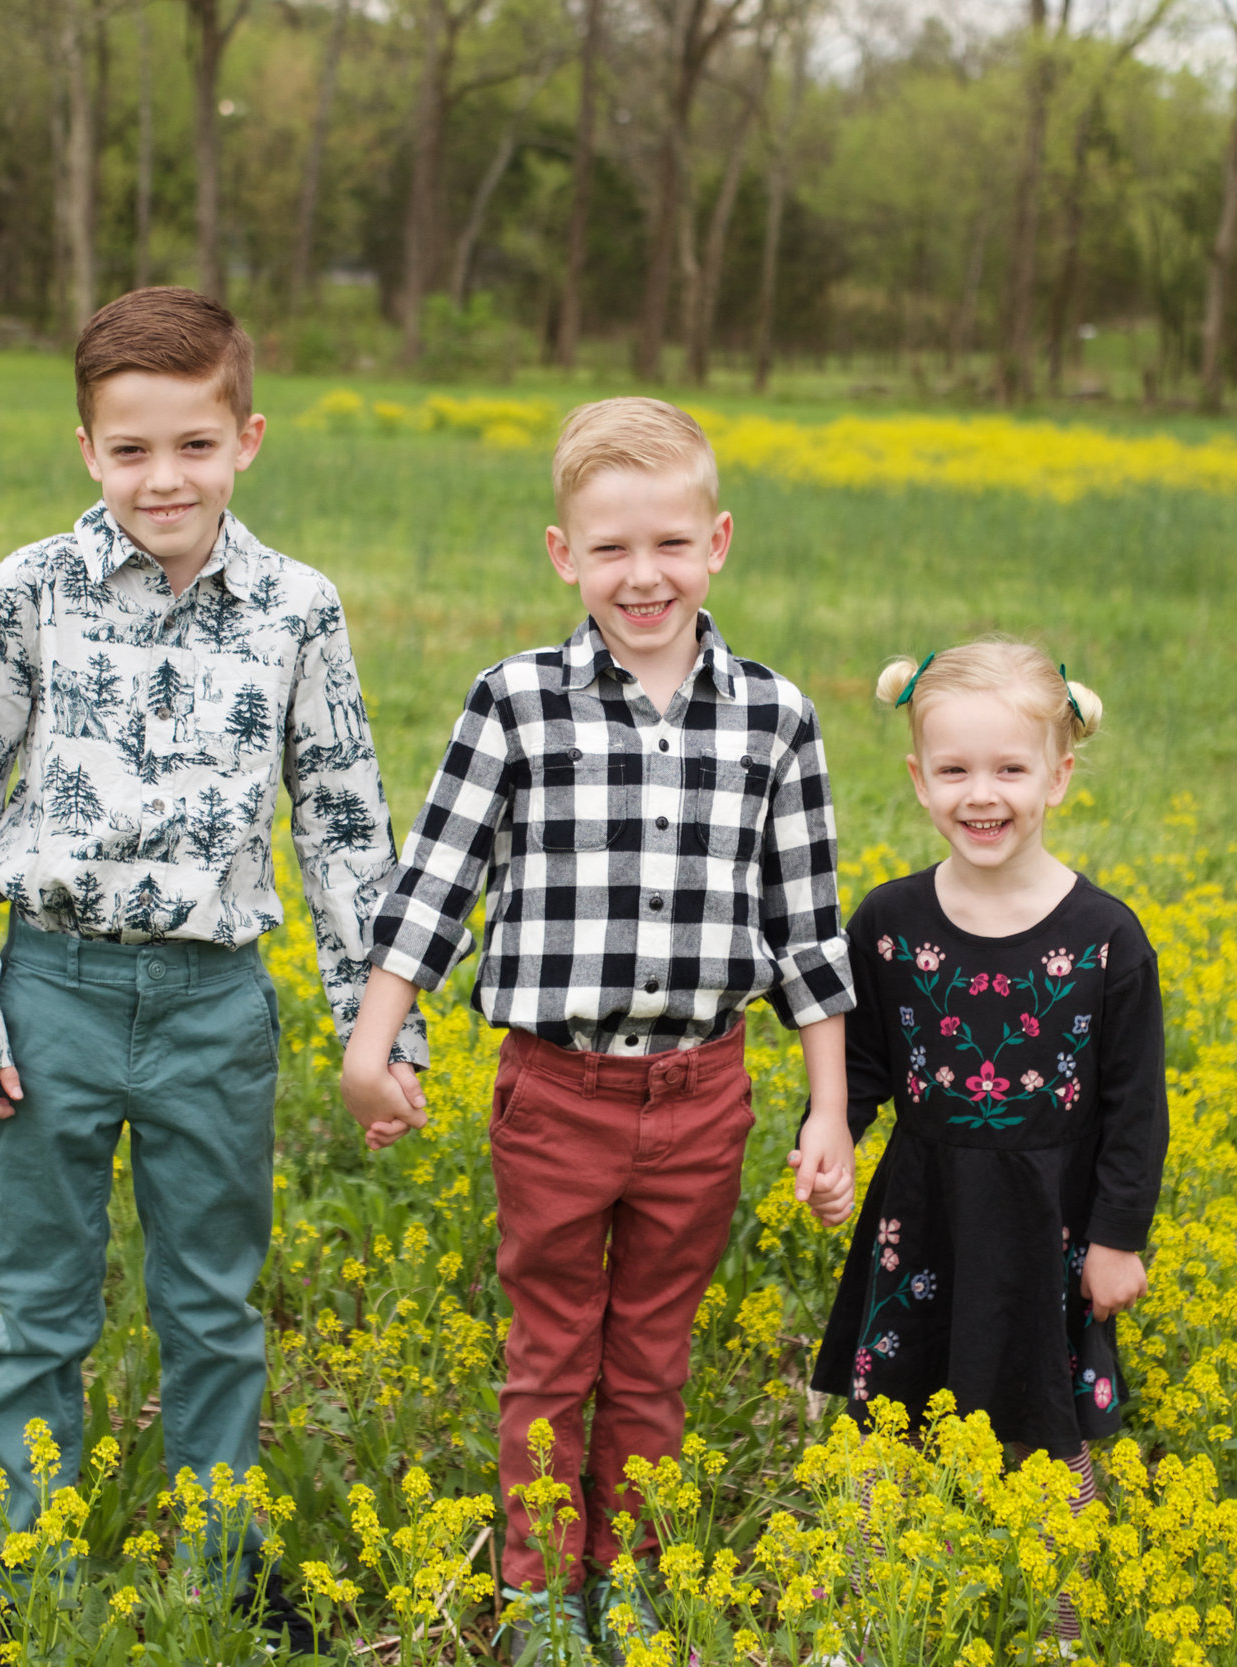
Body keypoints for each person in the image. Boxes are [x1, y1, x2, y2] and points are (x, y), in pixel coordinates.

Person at [0, 286, 425, 1654]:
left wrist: (378, 1034)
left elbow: (341, 824)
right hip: (53, 991)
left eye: (194, 444)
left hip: (214, 1005)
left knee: (214, 1300)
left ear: (247, 438)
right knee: (42, 1298)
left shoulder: (297, 606)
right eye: (132, 447)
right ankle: (31, 1565)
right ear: (87, 447)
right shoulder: (30, 588)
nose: (164, 477)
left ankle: (221, 1553)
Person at [341, 396, 858, 1663]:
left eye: (671, 543)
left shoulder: (775, 717)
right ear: (563, 553)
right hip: (556, 1088)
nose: (645, 575)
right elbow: (437, 882)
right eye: (612, 548)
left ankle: (624, 1576)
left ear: (719, 540)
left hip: (702, 1088)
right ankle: (533, 1589)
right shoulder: (513, 702)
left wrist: (828, 1107)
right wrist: (374, 1038)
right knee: (552, 1340)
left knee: (652, 1350)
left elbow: (808, 934)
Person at [810, 642, 1166, 1594]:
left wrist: (1117, 1237)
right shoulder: (889, 921)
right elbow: (864, 1062)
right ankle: (869, 1611)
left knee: (1046, 1426)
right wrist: (832, 1129)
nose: (983, 794)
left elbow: (1136, 1107)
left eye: (1010, 768)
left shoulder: (1106, 935)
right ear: (919, 780)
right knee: (887, 1423)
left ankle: (1062, 1615)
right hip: (922, 1211)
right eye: (956, 769)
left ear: (1060, 773)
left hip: (1046, 1220)